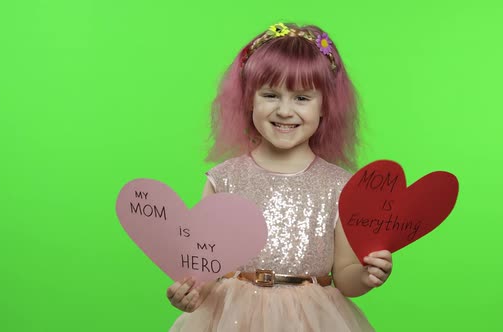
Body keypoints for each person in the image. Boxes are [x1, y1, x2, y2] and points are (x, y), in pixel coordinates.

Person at [166, 22, 393, 331]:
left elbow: (345, 275)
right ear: (249, 100)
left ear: (326, 105)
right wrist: (192, 293)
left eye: (302, 98)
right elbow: (208, 266)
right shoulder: (225, 179)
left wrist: (366, 277)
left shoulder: (339, 186)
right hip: (233, 318)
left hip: (312, 321)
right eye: (271, 95)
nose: (285, 111)